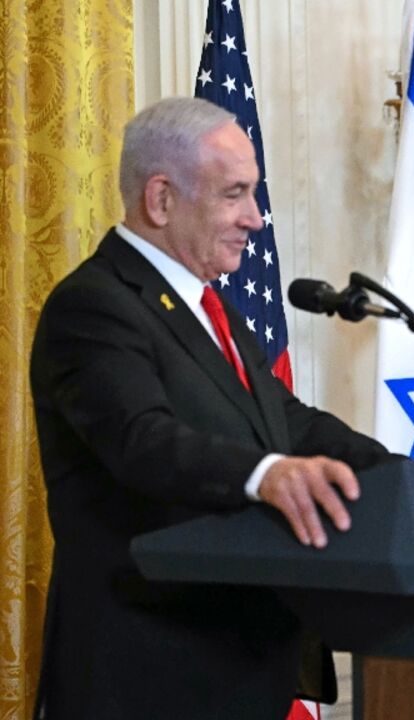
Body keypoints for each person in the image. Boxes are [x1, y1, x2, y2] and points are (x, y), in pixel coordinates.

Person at [29, 97, 393, 719]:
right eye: (236, 194)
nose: (256, 218)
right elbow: (142, 440)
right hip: (146, 680)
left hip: (241, 672)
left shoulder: (206, 308)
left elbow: (287, 422)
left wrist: (399, 474)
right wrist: (266, 475)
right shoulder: (93, 306)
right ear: (162, 199)